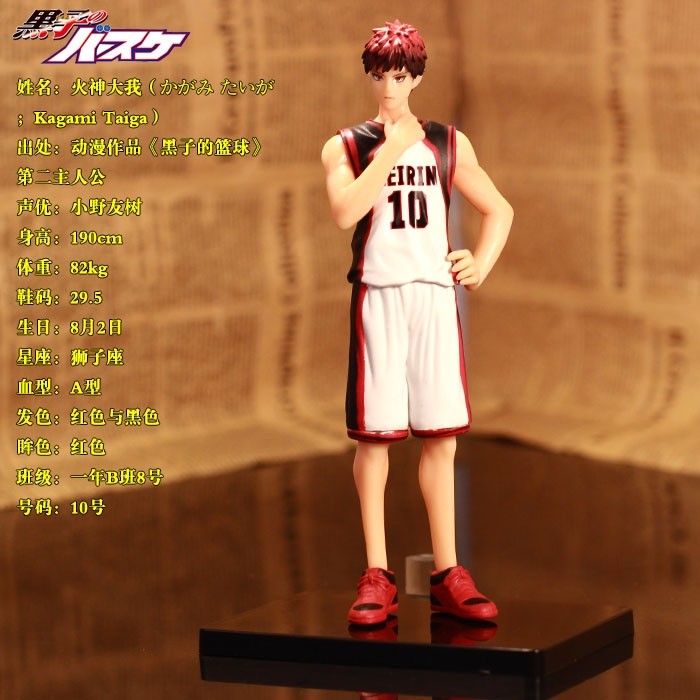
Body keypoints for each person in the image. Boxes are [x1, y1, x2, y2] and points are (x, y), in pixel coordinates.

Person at [321, 19, 513, 626]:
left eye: (401, 77)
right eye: (381, 75)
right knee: (374, 439)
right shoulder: (346, 145)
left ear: (417, 79)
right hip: (377, 294)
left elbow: (500, 209)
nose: (390, 87)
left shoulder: (448, 142)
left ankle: (448, 572)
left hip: (432, 295)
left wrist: (480, 261)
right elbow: (345, 210)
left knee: (441, 437)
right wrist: (392, 150)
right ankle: (376, 573)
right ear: (369, 76)